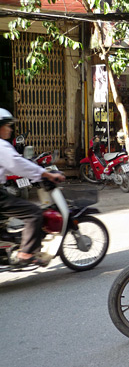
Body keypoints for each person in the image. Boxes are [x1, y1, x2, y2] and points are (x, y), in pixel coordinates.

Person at [0, 108, 65, 266]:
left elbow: (12, 167)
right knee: (34, 213)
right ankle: (25, 253)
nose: (10, 129)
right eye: (7, 125)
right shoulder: (1, 146)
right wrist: (47, 175)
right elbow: (17, 164)